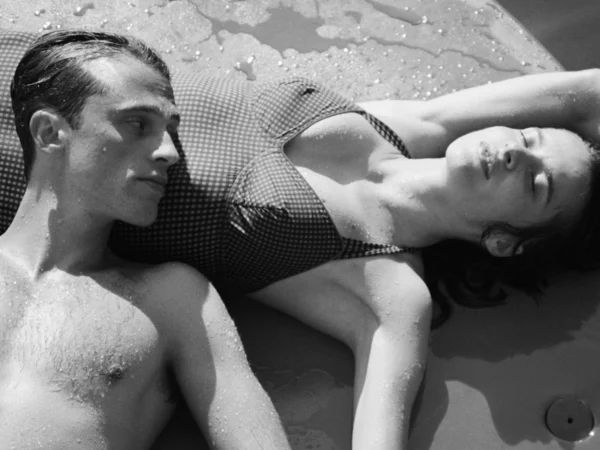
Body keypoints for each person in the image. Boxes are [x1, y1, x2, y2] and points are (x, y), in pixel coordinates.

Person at [1, 29, 600, 450]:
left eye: (539, 184)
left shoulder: (390, 292)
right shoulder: (404, 122)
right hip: (44, 74)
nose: (519, 153)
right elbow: (584, 92)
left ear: (503, 243)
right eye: (532, 137)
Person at [0, 30, 291, 450]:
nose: (170, 152)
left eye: (170, 130)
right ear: (48, 132)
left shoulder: (173, 298)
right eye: (138, 124)